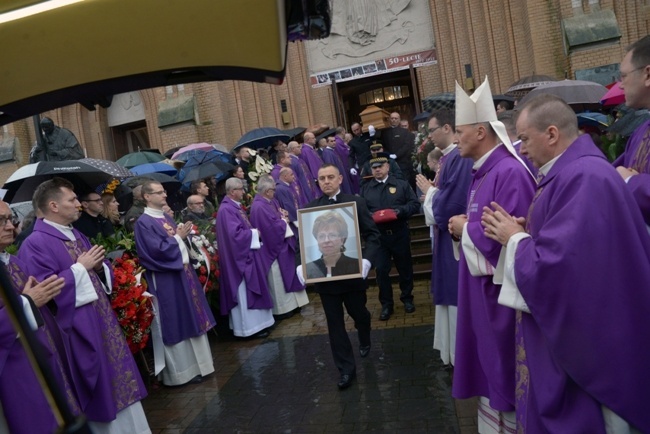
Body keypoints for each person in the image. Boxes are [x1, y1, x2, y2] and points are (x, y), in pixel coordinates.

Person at [481, 94, 650, 433]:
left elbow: (563, 267)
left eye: (525, 138)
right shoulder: (570, 171)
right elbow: (575, 242)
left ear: (553, 134)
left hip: (596, 336)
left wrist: (514, 239)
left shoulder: (584, 176)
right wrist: (529, 231)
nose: (522, 148)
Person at [18, 177, 150, 433]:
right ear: (54, 206)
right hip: (79, 330)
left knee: (119, 383)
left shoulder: (75, 234)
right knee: (101, 389)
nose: (79, 204)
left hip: (101, 323)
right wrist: (81, 268)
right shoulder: (35, 243)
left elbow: (93, 272)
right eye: (73, 200)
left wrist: (101, 269)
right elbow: (47, 293)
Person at [447, 77, 535, 433]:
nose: (456, 138)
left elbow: (507, 240)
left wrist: (462, 228)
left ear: (481, 131)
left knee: (505, 374)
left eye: (460, 130)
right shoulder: (484, 172)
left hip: (501, 303)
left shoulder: (508, 171)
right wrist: (467, 225)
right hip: (483, 298)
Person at [0, 200, 82, 434]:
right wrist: (28, 302)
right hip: (13, 369)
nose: (10, 226)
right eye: (1, 221)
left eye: (10, 219)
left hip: (40, 356)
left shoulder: (13, 262)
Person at [298, 164, 380, 390]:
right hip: (326, 281)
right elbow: (302, 242)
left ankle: (365, 335)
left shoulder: (356, 202)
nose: (326, 181)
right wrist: (300, 265)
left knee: (359, 314)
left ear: (340, 179)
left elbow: (373, 235)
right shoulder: (310, 209)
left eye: (330, 177)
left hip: (352, 276)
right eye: (322, 178)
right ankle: (346, 370)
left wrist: (367, 260)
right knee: (335, 325)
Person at [134, 181, 216, 386]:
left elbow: (176, 242)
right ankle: (181, 374)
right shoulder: (144, 222)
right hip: (166, 279)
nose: (164, 195)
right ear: (146, 196)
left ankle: (201, 366)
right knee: (176, 319)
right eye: (159, 192)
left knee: (190, 317)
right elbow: (154, 252)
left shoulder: (164, 217)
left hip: (182, 276)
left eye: (163, 192)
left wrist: (182, 237)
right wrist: (178, 238)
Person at [422, 109, 473, 366]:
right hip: (445, 240)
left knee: (456, 295)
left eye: (431, 129)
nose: (428, 135)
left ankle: (461, 356)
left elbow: (450, 204)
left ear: (446, 128)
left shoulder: (458, 159)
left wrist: (429, 194)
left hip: (455, 238)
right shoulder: (446, 159)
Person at [360, 155, 420, 321]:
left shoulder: (401, 184)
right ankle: (386, 304)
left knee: (405, 268)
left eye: (380, 166)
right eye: (374, 167)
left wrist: (400, 211)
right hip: (379, 238)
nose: (377, 169)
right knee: (381, 271)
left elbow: (415, 204)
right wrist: (371, 216)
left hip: (399, 232)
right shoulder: (366, 188)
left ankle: (407, 298)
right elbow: (361, 211)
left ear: (388, 166)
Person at [216, 178, 275, 338]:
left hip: (247, 253)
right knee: (244, 292)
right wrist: (255, 233)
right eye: (241, 189)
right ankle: (248, 329)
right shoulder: (226, 210)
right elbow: (234, 235)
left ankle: (260, 324)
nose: (243, 192)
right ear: (232, 191)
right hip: (238, 260)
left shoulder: (234, 207)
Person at [250, 176, 308, 317]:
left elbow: (277, 214)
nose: (275, 193)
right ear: (267, 191)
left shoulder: (269, 201)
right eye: (273, 190)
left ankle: (295, 304)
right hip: (274, 251)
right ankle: (284, 310)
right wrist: (283, 221)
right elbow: (269, 229)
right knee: (278, 280)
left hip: (282, 245)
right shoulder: (258, 206)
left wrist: (283, 214)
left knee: (288, 274)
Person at [614, 35, 650, 226]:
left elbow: (622, 176)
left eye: (624, 76)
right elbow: (611, 172)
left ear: (648, 75)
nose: (620, 84)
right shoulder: (642, 130)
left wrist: (631, 183)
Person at [304, 210, 361, 279]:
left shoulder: (357, 265)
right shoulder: (309, 268)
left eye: (332, 235)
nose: (326, 240)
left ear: (342, 239)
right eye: (321, 236)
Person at [379, 112, 416, 187]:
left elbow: (406, 146)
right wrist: (388, 154)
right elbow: (382, 145)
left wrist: (397, 155)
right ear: (389, 119)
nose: (394, 120)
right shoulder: (385, 132)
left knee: (405, 183)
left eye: (396, 118)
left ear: (399, 120)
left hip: (403, 162)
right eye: (392, 118)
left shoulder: (405, 132)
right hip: (389, 162)